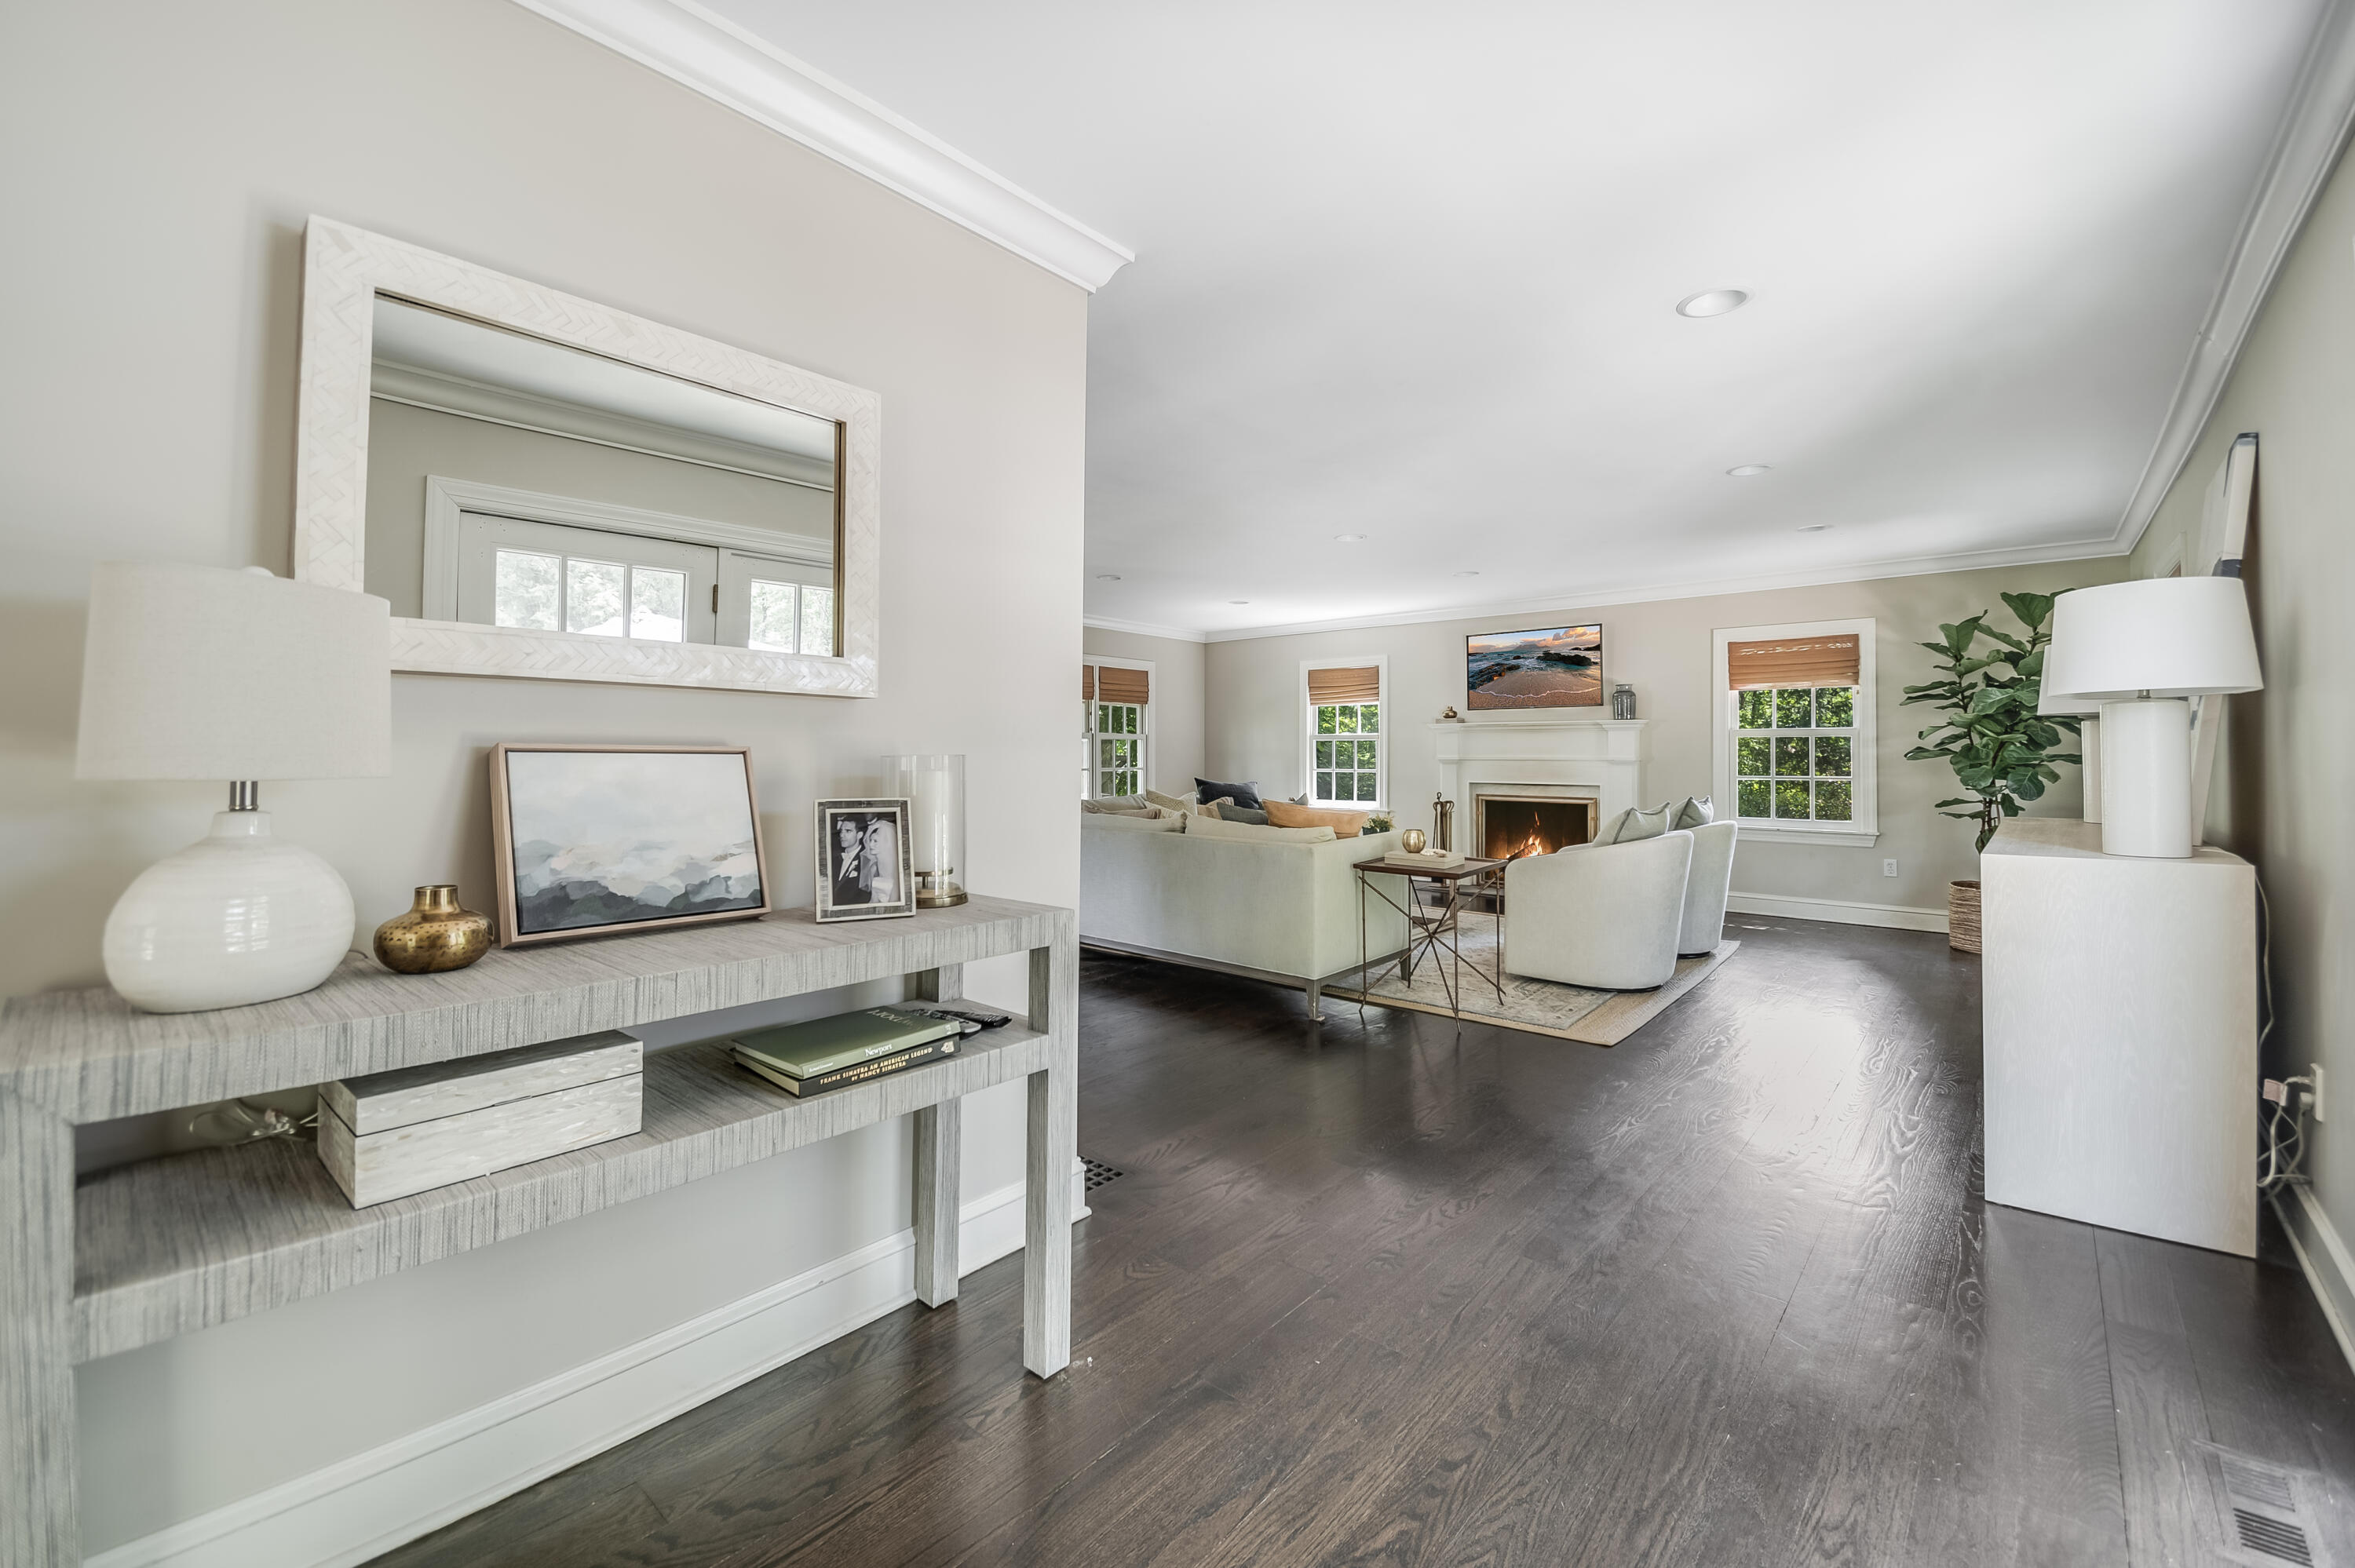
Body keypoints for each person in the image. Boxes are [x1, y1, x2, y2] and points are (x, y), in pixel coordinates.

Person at [831, 815, 869, 906]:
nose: (841, 835)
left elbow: (865, 896)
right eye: (841, 831)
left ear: (859, 835)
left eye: (848, 831)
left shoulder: (866, 862)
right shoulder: (834, 858)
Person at [862, 815, 900, 903]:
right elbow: (874, 898)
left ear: (887, 843)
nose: (870, 845)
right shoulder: (874, 868)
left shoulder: (896, 868)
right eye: (870, 840)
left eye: (875, 841)